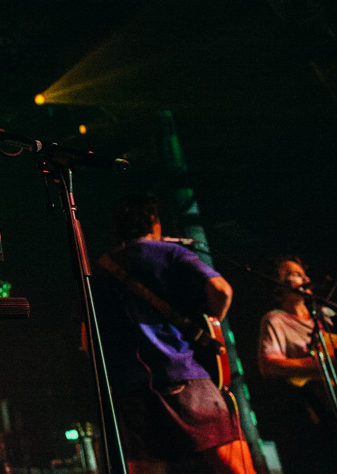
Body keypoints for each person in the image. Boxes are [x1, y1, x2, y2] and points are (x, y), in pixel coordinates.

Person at [94, 193, 253, 473]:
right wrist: (210, 322)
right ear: (155, 222)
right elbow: (221, 290)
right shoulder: (170, 252)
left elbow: (88, 340)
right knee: (236, 468)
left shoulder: (101, 268)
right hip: (182, 374)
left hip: (132, 389)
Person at [256, 256, 336, 473]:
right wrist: (318, 364)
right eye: (297, 275)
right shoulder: (275, 320)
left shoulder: (326, 315)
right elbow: (268, 365)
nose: (306, 278)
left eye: (304, 273)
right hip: (314, 415)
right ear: (280, 285)